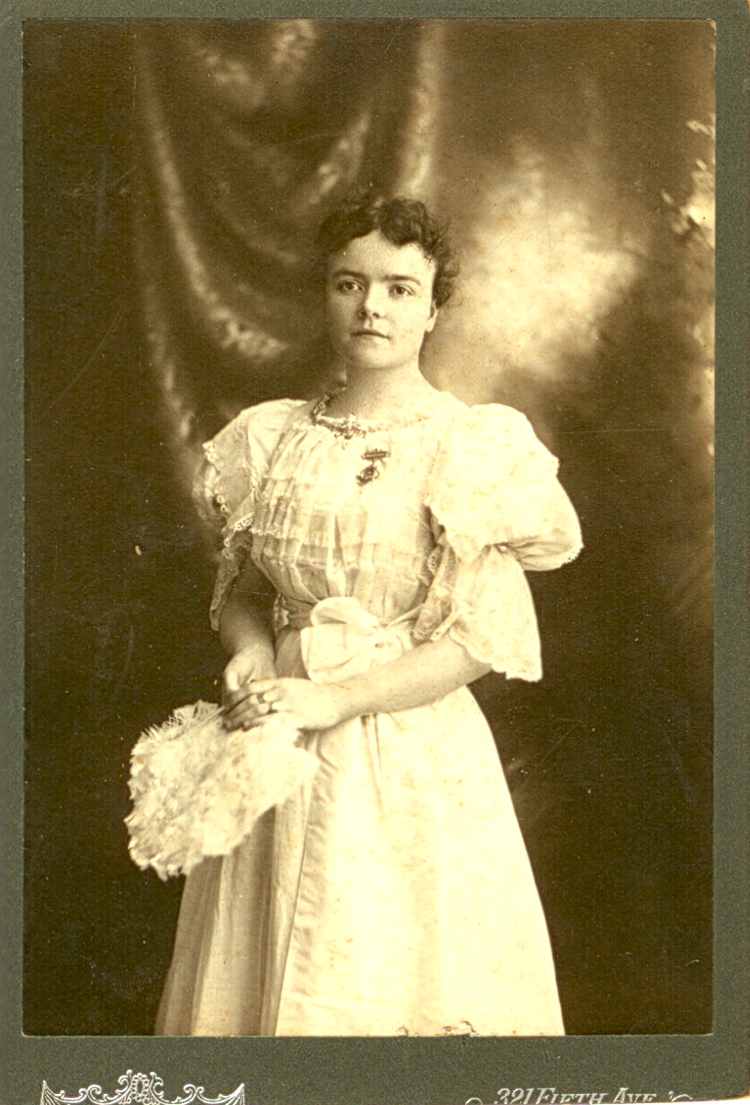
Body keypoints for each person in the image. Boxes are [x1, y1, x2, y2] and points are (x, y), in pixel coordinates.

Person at [155, 194, 583, 1037]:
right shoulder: (273, 438)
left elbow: (476, 638)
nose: (371, 307)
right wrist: (251, 654)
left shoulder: (469, 446)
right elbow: (247, 591)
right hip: (280, 739)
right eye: (349, 284)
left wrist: (337, 698)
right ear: (326, 295)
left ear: (434, 310)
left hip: (408, 749)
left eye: (398, 288)